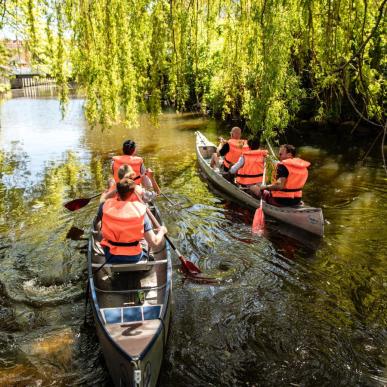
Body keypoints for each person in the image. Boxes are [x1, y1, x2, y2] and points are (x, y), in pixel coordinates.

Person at [96, 177, 167, 264]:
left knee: (100, 226)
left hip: (110, 256)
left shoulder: (104, 206)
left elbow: (103, 200)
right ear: (133, 193)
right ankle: (149, 257)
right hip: (134, 257)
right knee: (145, 238)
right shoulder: (141, 211)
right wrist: (162, 231)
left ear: (117, 193)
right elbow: (154, 242)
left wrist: (113, 191)